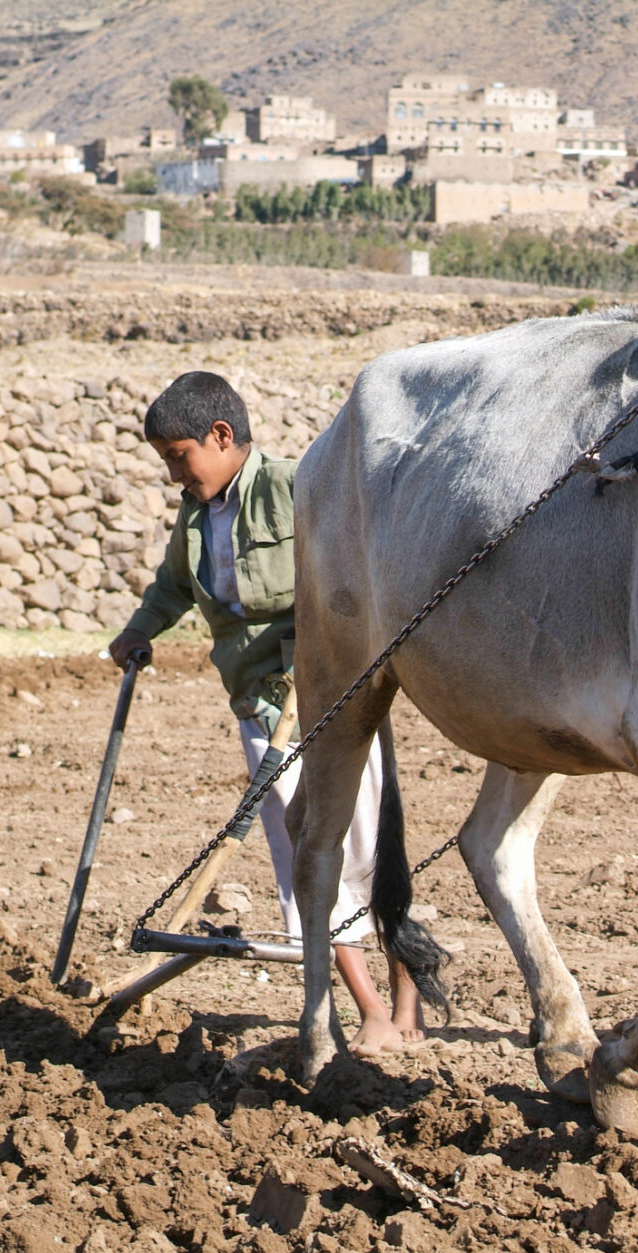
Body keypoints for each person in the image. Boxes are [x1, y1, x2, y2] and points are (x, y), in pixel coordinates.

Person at [107, 371, 424, 1054]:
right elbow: (171, 589)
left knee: (369, 845)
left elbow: (349, 571)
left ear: (222, 437)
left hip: (335, 697)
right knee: (305, 853)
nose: (172, 475)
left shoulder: (294, 488)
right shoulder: (195, 518)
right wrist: (140, 631)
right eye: (164, 459)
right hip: (260, 703)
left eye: (178, 455)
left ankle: (406, 1000)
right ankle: (365, 1006)